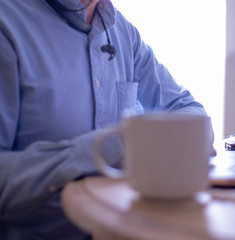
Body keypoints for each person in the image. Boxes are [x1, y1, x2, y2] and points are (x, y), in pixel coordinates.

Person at [0, 0, 213, 239]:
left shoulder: (123, 32)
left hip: (126, 228)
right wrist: (105, 149)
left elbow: (188, 108)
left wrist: (174, 140)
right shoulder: (6, 24)